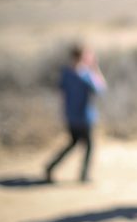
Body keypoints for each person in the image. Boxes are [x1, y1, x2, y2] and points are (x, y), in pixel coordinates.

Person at [44, 44, 106, 183]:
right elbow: (100, 89)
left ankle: (51, 166)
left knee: (73, 143)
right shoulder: (85, 74)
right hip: (84, 117)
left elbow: (60, 90)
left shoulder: (66, 73)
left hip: (70, 116)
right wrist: (95, 68)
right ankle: (83, 175)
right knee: (88, 145)